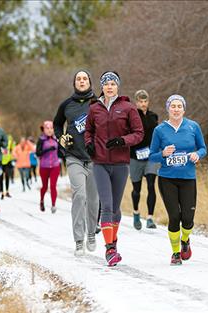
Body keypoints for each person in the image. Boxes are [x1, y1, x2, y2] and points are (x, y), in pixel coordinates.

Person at [84, 71, 144, 266]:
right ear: (102, 87)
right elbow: (89, 130)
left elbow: (139, 134)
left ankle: (113, 241)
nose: (109, 86)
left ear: (118, 86)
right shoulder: (94, 108)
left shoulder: (128, 108)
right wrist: (89, 143)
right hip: (100, 162)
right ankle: (110, 249)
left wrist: (122, 141)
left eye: (113, 83)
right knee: (107, 205)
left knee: (116, 208)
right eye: (106, 84)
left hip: (120, 163)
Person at [149, 95, 207, 266]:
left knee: (188, 218)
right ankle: (175, 253)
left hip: (188, 178)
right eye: (172, 106)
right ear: (168, 109)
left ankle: (185, 240)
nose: (175, 109)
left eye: (179, 106)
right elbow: (152, 156)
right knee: (174, 216)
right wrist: (163, 154)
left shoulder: (193, 127)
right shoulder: (160, 130)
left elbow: (203, 148)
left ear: (184, 109)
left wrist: (198, 154)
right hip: (167, 178)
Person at [53, 69, 100, 256]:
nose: (82, 81)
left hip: (95, 158)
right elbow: (57, 124)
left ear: (90, 82)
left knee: (94, 200)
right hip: (74, 157)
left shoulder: (98, 103)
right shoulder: (67, 105)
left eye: (85, 78)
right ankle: (79, 240)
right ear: (74, 83)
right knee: (79, 196)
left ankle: (91, 234)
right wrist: (60, 137)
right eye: (78, 79)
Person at [129, 90, 160, 230]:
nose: (143, 104)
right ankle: (136, 213)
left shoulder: (154, 117)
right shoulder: (131, 117)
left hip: (151, 157)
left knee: (151, 185)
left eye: (145, 101)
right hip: (135, 157)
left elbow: (157, 135)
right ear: (136, 102)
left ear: (148, 102)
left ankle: (150, 218)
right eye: (140, 101)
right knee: (137, 189)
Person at [36, 121, 60, 213]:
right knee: (45, 187)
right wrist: (48, 150)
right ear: (44, 129)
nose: (50, 130)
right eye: (47, 128)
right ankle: (42, 200)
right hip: (44, 166)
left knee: (53, 186)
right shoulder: (41, 140)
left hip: (55, 165)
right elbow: (38, 153)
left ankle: (53, 205)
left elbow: (60, 151)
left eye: (51, 128)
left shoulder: (56, 139)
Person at [1, 134, 16, 199]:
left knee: (7, 176)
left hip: (8, 161)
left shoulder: (10, 140)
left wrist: (13, 158)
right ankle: (1, 192)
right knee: (0, 178)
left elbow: (13, 150)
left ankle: (7, 191)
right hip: (0, 162)